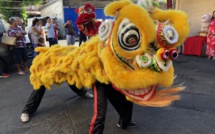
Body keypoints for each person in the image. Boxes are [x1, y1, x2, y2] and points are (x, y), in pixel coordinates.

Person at [20, 85, 93, 123]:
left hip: (62, 57)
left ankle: (82, 92)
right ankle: (27, 110)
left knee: (69, 74)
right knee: (41, 82)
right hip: (47, 59)